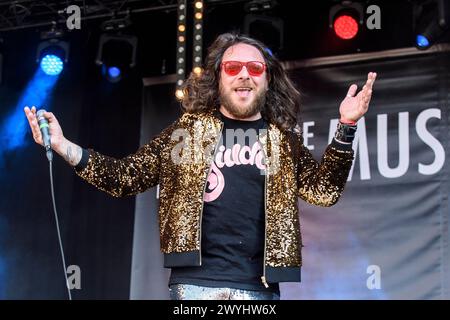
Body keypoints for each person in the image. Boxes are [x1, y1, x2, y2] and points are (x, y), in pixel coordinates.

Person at [24, 33, 376, 300]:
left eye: (255, 68)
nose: (244, 75)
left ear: (267, 80)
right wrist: (64, 147)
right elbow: (125, 177)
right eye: (233, 67)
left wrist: (347, 127)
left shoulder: (281, 141)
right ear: (219, 77)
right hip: (194, 286)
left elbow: (324, 191)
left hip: (260, 288)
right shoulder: (187, 133)